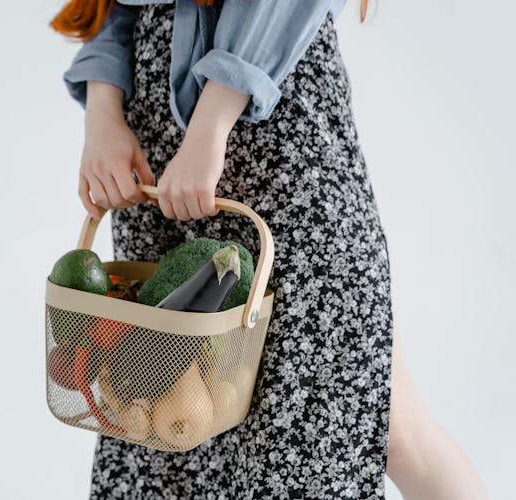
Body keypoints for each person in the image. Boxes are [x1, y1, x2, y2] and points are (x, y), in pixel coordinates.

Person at [52, 1, 489, 498]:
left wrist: (211, 124)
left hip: (274, 127)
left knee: (363, 425)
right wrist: (102, 114)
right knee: (178, 428)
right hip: (154, 157)